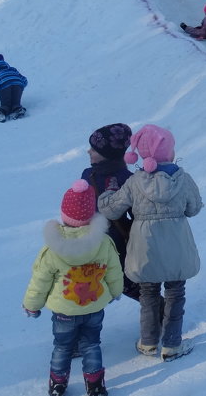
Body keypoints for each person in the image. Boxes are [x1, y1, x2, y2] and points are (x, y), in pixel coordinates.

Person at [98, 124, 202, 362]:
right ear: (170, 152)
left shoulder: (135, 182)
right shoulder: (183, 179)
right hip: (177, 245)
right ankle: (172, 344)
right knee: (176, 291)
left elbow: (112, 210)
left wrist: (107, 193)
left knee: (148, 292)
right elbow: (193, 208)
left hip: (145, 248)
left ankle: (148, 342)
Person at [22, 179, 123, 396]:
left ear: (64, 215)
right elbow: (114, 270)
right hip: (94, 308)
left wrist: (32, 305)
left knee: (62, 347)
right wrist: (115, 291)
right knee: (92, 345)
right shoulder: (103, 243)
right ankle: (95, 385)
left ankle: (58, 383)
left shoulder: (52, 250)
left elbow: (40, 282)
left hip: (64, 313)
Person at [80, 123, 140, 301]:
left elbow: (136, 213)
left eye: (94, 149)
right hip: (89, 241)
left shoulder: (127, 180)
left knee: (124, 282)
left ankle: (157, 309)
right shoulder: (87, 175)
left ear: (108, 155)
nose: (88, 151)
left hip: (116, 243)